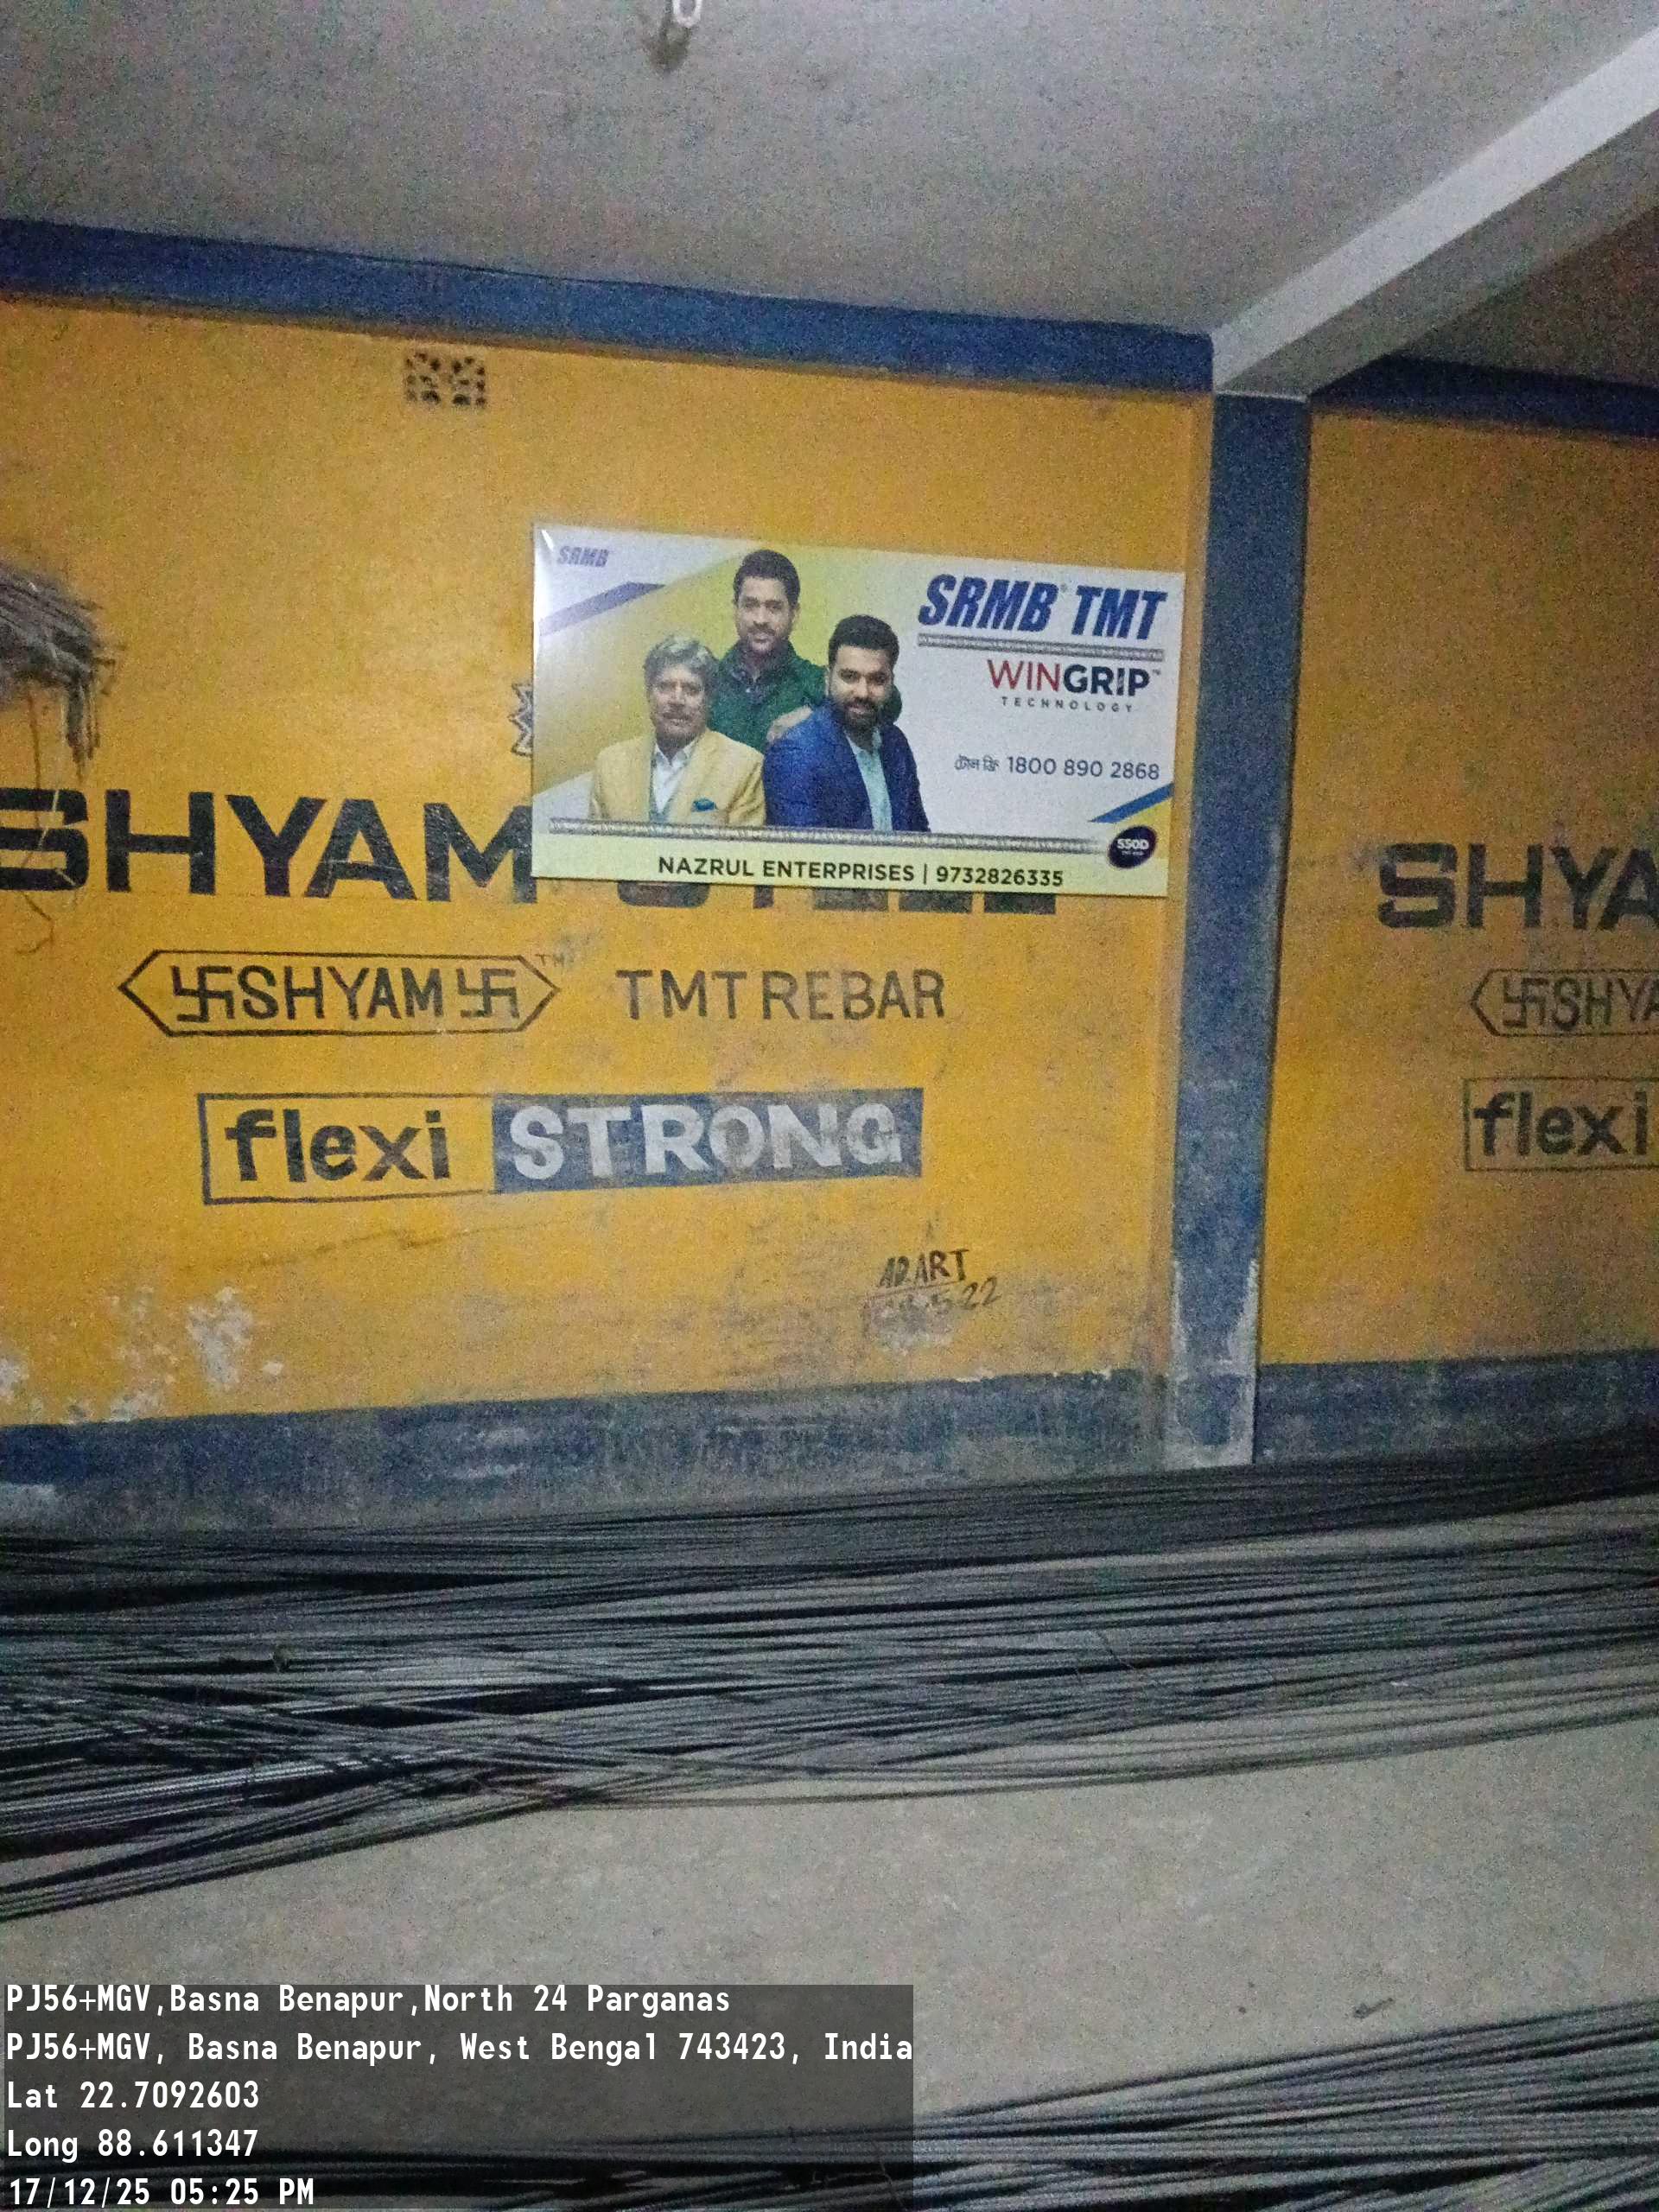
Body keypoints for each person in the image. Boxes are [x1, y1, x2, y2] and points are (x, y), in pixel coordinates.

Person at [708, 548, 902, 753]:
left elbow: (890, 701)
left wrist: (816, 715)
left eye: (774, 607)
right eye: (750, 605)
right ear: (735, 609)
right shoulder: (707, 681)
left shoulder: (815, 682)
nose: (761, 619)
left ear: (794, 614)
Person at [762, 616, 929, 833]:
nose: (863, 692)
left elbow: (919, 836)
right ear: (828, 679)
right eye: (850, 677)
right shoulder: (795, 754)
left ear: (891, 683)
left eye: (877, 680)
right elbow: (807, 852)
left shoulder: (895, 743)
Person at [589, 635, 765, 825]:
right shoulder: (610, 764)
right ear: (648, 694)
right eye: (665, 687)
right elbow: (595, 844)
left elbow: (743, 844)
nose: (677, 700)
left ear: (709, 699)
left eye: (691, 689)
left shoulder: (743, 766)